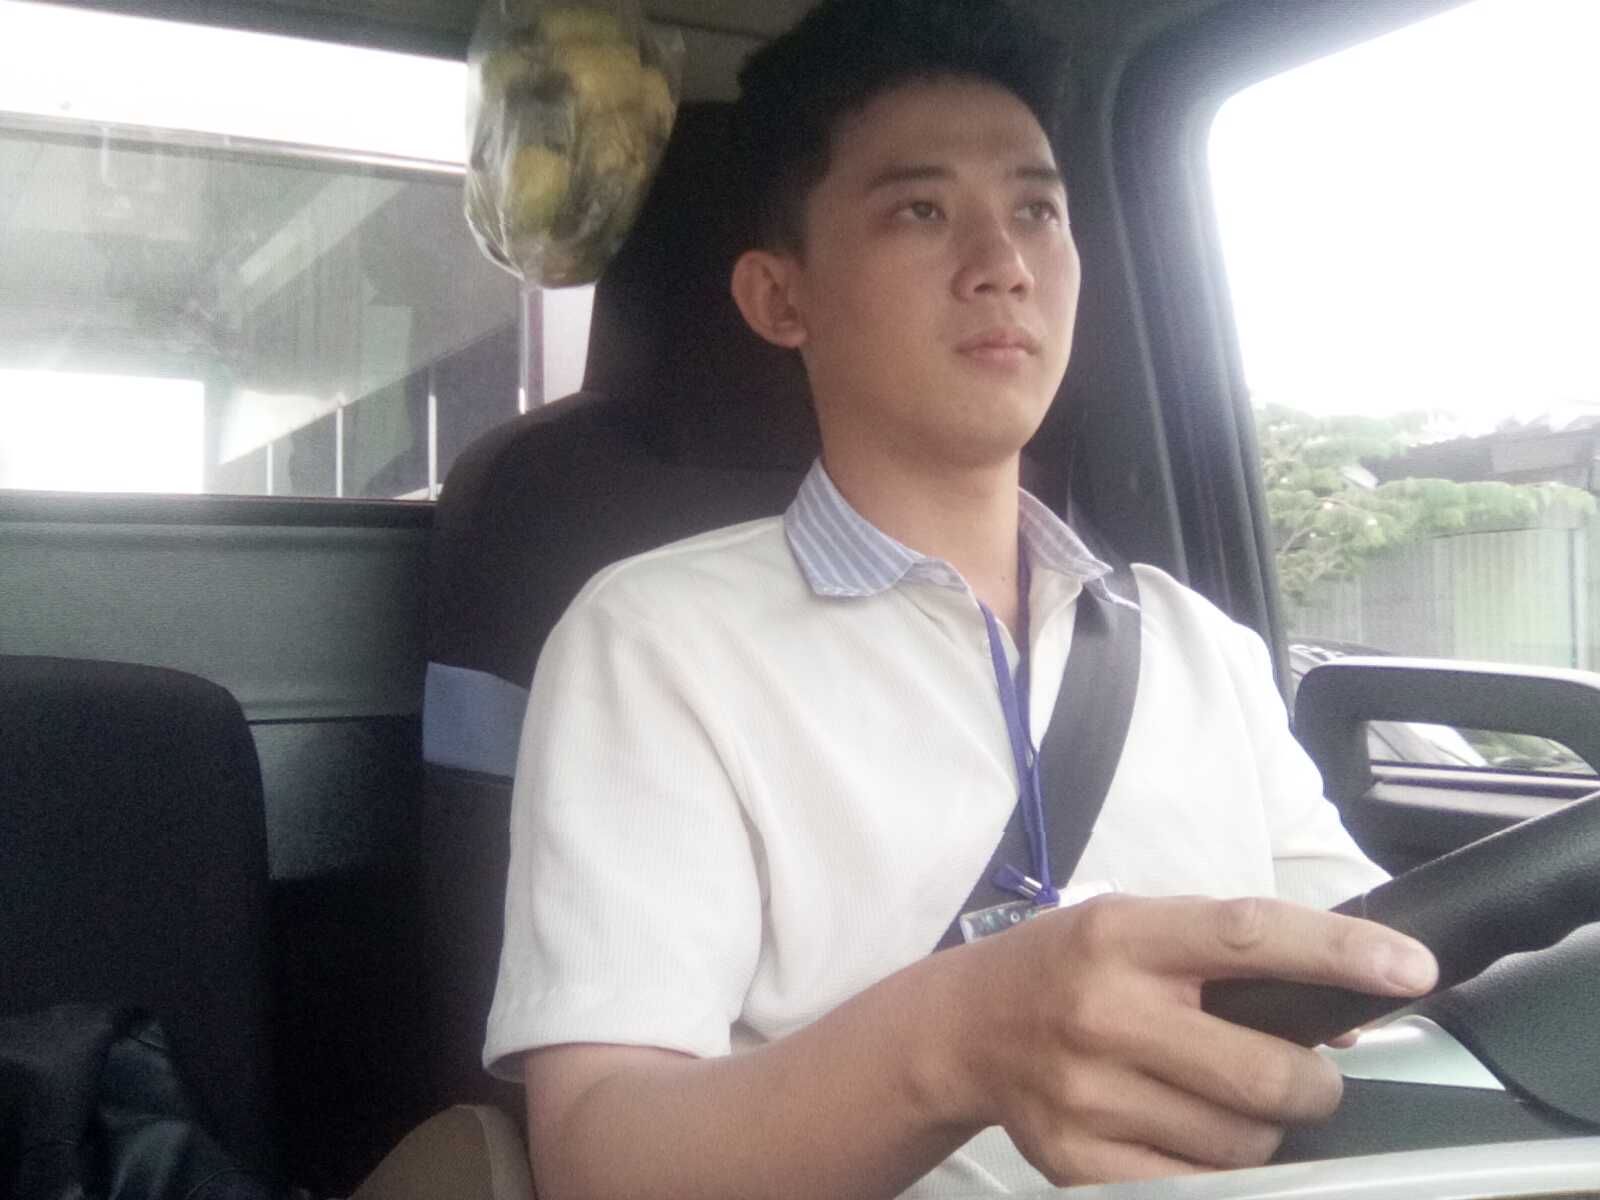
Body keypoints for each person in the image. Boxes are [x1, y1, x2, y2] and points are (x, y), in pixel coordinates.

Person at [483, 1, 1438, 1196]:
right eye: (920, 211)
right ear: (782, 299)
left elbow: (1377, 977)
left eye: (1037, 210)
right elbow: (602, 1160)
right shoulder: (655, 641)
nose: (1005, 264)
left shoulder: (1197, 644)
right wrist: (960, 1041)